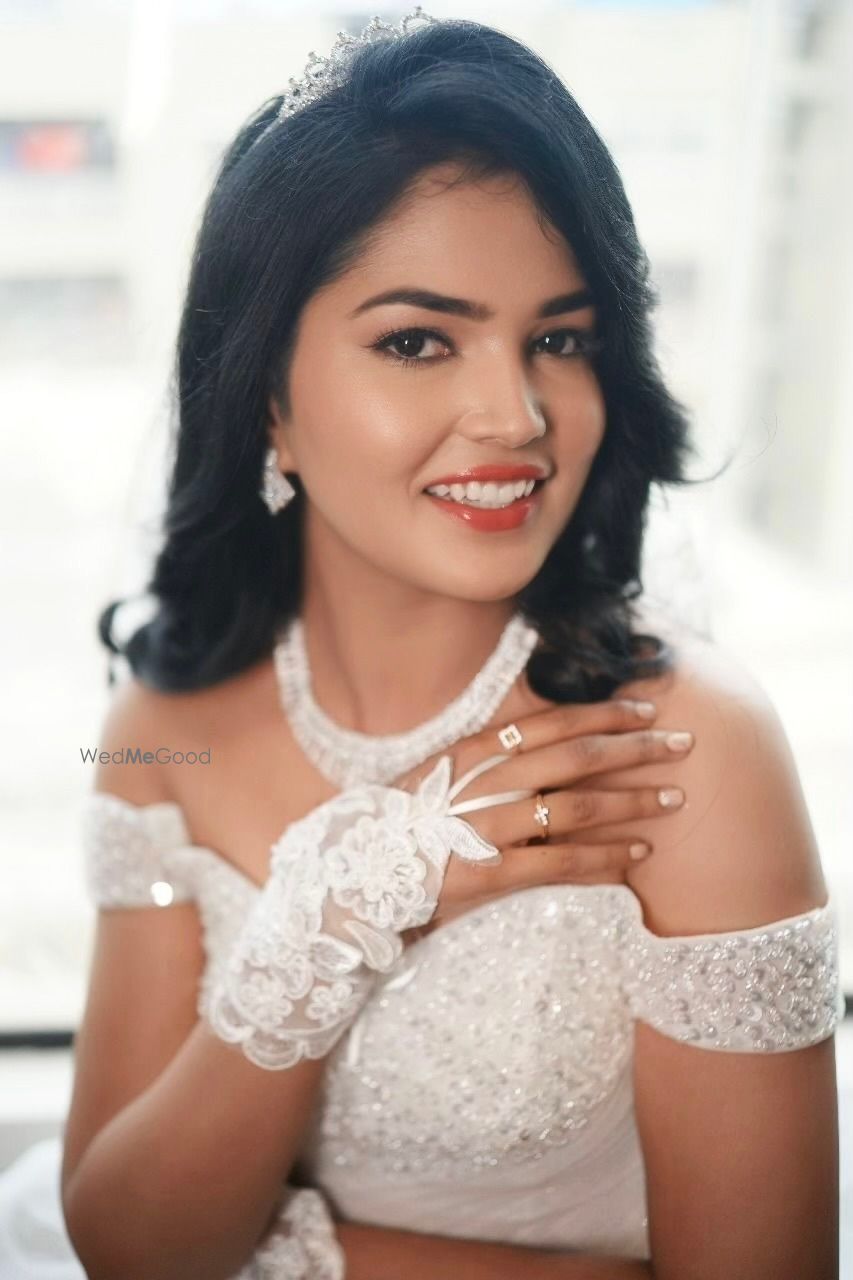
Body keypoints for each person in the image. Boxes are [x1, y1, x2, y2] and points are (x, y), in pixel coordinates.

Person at [0, 9, 843, 1279]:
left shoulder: (677, 749)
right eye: (417, 340)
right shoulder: (162, 728)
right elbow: (124, 1238)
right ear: (267, 400)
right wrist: (333, 919)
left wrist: (280, 1256)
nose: (515, 414)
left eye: (559, 339)